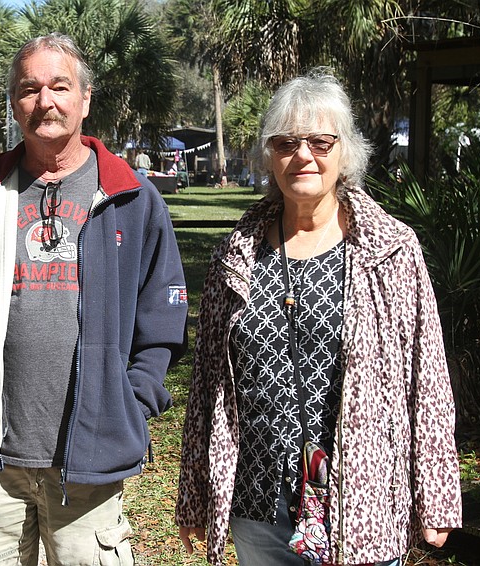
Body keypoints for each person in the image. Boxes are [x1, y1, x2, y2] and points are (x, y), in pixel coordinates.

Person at [175, 69, 462, 565]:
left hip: (364, 497)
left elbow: (428, 378)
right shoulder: (234, 257)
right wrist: (195, 494)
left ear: (345, 152)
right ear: (269, 155)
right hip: (258, 501)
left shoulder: (390, 250)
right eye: (286, 143)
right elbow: (207, 386)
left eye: (320, 142)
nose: (303, 155)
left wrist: (436, 495)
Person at [0, 32, 188, 564]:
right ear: (13, 103)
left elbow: (162, 314)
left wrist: (134, 400)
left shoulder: (131, 197)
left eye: (60, 87)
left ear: (85, 99)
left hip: (90, 457)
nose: (45, 101)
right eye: (29, 89)